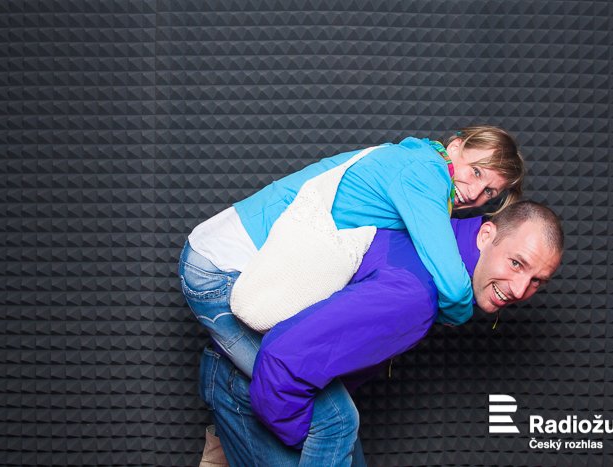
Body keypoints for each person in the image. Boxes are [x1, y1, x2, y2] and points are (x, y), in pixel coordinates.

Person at [180, 127, 525, 465]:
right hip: (220, 271)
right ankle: (228, 424)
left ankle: (225, 439)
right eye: (476, 171)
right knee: (334, 420)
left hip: (234, 263)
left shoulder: (416, 162)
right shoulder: (424, 172)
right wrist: (457, 312)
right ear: (456, 146)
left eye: (490, 191)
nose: (475, 192)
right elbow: (452, 281)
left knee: (314, 397)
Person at [199, 201, 564, 466]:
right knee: (338, 423)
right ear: (486, 235)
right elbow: (282, 358)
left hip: (266, 379)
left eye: (537, 281)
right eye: (516, 263)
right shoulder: (416, 295)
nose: (519, 290)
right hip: (255, 384)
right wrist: (308, 443)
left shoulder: (436, 237)